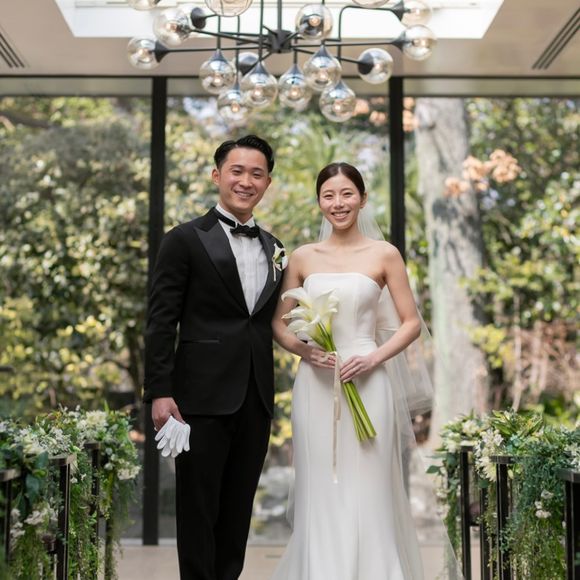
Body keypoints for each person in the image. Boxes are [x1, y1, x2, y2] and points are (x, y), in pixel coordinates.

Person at [271, 162, 425, 579]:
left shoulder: (384, 254)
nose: (337, 203)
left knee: (369, 486)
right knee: (320, 482)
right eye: (328, 195)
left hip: (369, 379)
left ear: (362, 198)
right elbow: (279, 325)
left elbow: (411, 323)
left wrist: (373, 358)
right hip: (316, 383)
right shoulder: (302, 257)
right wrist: (306, 352)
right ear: (319, 202)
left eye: (346, 194)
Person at [143, 135, 285, 580]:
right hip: (198, 399)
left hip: (255, 398)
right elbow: (160, 321)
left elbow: (269, 322)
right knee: (198, 508)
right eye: (237, 171)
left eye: (257, 173)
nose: (246, 181)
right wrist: (160, 391)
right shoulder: (183, 239)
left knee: (238, 509)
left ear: (267, 183)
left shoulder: (275, 248)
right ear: (217, 175)